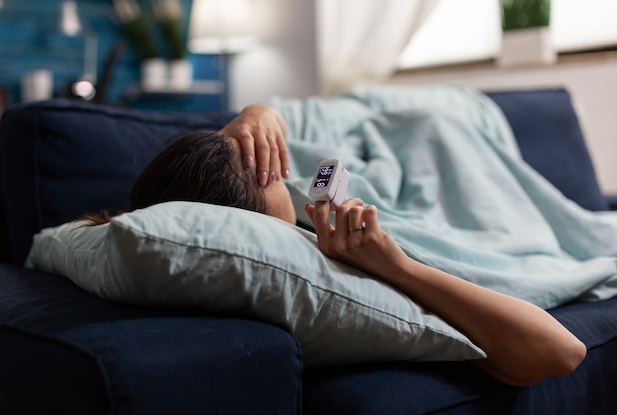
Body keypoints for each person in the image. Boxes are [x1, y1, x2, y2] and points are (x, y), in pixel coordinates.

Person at [87, 103, 587, 387]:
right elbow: (562, 350)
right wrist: (399, 268)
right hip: (461, 217)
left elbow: (298, 132)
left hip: (408, 141)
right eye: (277, 181)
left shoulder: (246, 193)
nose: (289, 179)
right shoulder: (337, 260)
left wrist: (258, 115)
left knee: (429, 122)